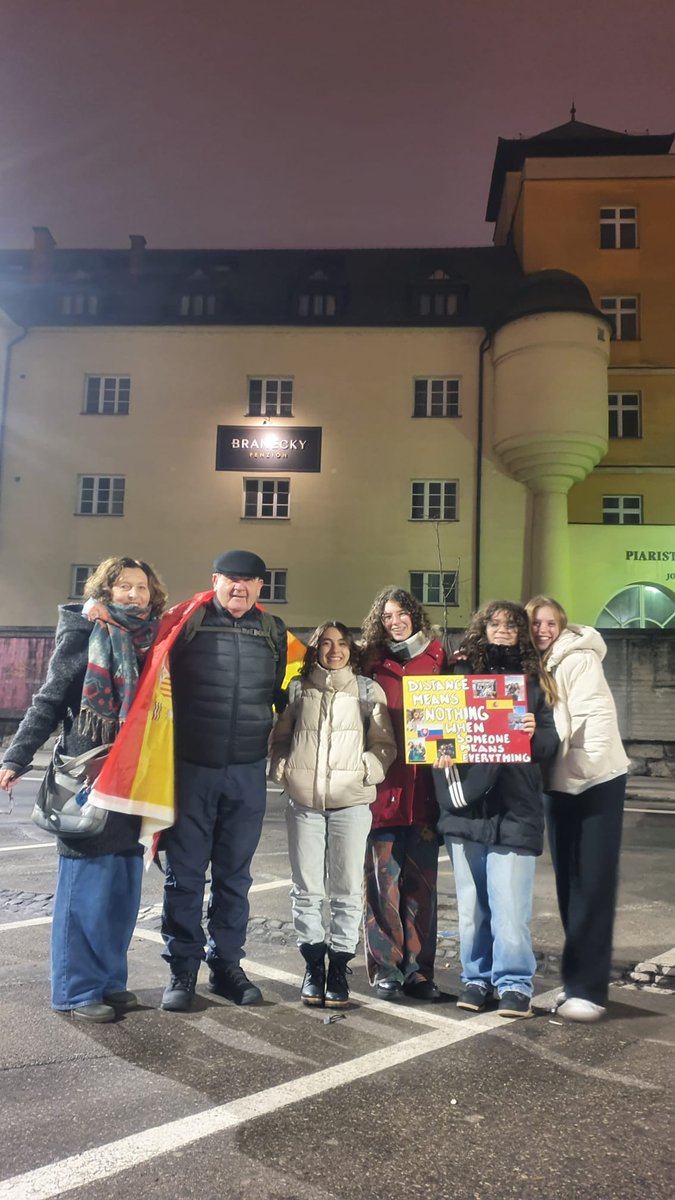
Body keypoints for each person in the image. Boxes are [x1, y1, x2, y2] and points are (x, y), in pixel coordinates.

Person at [0, 557, 167, 1022]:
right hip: (89, 775)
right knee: (85, 888)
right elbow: (50, 698)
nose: (134, 594)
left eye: (141, 587)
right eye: (124, 586)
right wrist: (16, 756)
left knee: (122, 889)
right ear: (106, 590)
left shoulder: (152, 640)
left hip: (135, 775)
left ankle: (109, 980)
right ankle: (76, 989)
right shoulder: (84, 632)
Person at [159, 549, 287, 1013]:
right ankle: (182, 969)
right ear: (214, 580)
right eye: (231, 578)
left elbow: (276, 691)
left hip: (246, 772)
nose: (239, 587)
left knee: (235, 879)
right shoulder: (187, 622)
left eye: (249, 581)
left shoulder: (273, 631)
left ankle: (226, 966)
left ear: (260, 587)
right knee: (185, 877)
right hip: (192, 769)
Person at [434, 600, 559, 1018]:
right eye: (495, 623)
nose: (503, 629)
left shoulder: (534, 681)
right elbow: (438, 730)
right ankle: (476, 979)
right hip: (466, 809)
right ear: (482, 628)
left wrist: (533, 733)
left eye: (511, 624)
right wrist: (441, 750)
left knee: (510, 909)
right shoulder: (459, 674)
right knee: (471, 909)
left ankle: (514, 984)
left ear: (522, 633)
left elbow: (549, 743)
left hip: (516, 808)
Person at [269, 621, 396, 1008]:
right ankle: (313, 966)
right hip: (305, 804)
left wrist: (365, 771)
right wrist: (284, 769)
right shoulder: (298, 688)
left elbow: (384, 744)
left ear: (351, 649)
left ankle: (338, 967)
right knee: (306, 890)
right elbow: (280, 737)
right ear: (316, 649)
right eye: (326, 643)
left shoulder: (367, 690)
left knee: (346, 891)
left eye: (341, 643)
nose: (334, 650)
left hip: (351, 804)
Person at [527, 596, 630, 1023]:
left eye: (550, 622)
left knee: (592, 884)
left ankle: (589, 992)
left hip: (595, 782)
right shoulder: (538, 664)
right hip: (561, 782)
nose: (543, 630)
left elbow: (596, 718)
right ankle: (576, 986)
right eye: (535, 623)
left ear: (562, 625)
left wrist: (581, 774)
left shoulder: (578, 658)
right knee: (571, 885)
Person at [360, 586, 447, 1001]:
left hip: (426, 793)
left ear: (415, 615)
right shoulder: (370, 663)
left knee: (422, 888)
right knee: (383, 887)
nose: (394, 622)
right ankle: (387, 969)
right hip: (383, 792)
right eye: (386, 616)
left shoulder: (440, 659)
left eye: (401, 614)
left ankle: (419, 971)